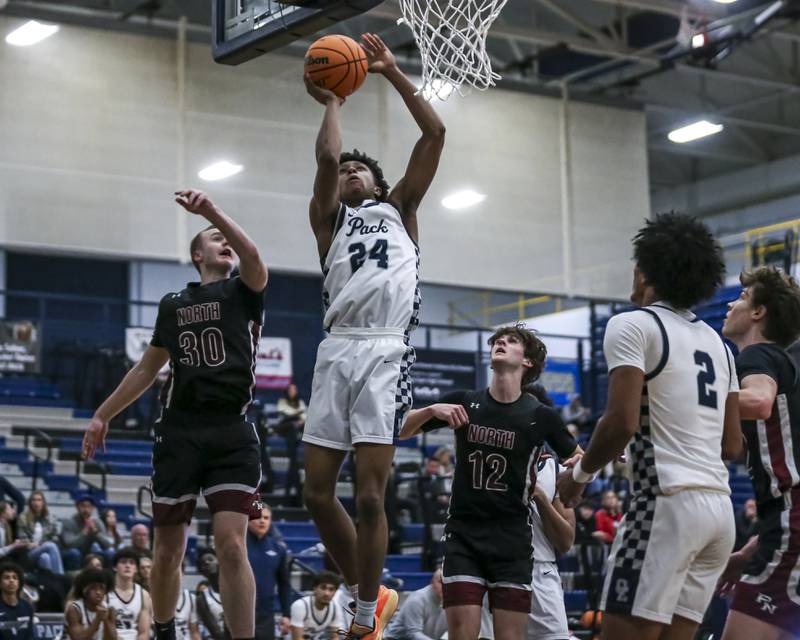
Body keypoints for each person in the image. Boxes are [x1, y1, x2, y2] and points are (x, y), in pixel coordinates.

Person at [301, 30, 445, 640]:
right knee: (313, 494)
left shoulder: (401, 209)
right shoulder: (328, 221)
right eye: (349, 169)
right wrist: (334, 97)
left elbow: (434, 135)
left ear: (381, 186)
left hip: (386, 349)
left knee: (369, 498)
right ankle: (375, 589)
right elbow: (327, 161)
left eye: (363, 169)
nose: (351, 172)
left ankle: (363, 614)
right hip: (337, 349)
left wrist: (388, 72)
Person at [81, 189, 269, 640]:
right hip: (180, 432)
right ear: (196, 253)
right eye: (214, 237)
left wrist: (212, 212)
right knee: (167, 549)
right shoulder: (174, 304)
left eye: (228, 237)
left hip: (233, 431)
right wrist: (102, 414)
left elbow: (254, 255)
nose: (225, 241)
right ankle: (164, 631)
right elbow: (148, 368)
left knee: (232, 545)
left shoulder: (244, 290)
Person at [557, 213, 743, 640]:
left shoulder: (633, 324)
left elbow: (620, 421)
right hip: (719, 513)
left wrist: (579, 476)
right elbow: (732, 445)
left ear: (644, 271)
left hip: (667, 504)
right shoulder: (720, 345)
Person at [399, 325, 581, 640]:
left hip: (512, 539)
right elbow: (400, 430)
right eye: (497, 340)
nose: (501, 343)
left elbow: (577, 457)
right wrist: (431, 409)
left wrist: (590, 463)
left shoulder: (541, 416)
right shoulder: (464, 402)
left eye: (511, 341)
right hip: (464, 535)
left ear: (528, 363)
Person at [718, 266, 800, 640]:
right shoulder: (777, 362)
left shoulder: (757, 357)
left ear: (758, 312)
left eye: (742, 297)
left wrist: (693, 396)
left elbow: (759, 401)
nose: (731, 304)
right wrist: (752, 547)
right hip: (782, 525)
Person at [526, 456, 575, 640]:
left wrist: (540, 496)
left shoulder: (554, 469)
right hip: (496, 567)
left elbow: (566, 542)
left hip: (540, 569)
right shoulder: (492, 459)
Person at [246, 506, 291, 640]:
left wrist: (286, 614)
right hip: (239, 612)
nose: (262, 521)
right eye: (258, 517)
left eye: (266, 518)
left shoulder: (278, 549)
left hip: (266, 616)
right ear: (247, 520)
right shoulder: (238, 545)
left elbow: (284, 584)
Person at [383, 569, 447, 640]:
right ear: (432, 582)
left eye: (448, 583)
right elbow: (413, 634)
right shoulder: (417, 599)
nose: (445, 587)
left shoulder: (454, 602)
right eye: (440, 582)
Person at [106, 549, 151, 640]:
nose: (127, 566)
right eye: (123, 562)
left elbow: (144, 632)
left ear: (136, 569)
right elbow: (104, 628)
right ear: (115, 567)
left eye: (131, 563)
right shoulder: (106, 592)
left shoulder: (144, 595)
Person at [17, 491, 64, 575]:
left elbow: (56, 537)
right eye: (33, 500)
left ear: (43, 502)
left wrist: (41, 545)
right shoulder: (23, 518)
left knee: (45, 558)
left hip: (44, 550)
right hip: (29, 553)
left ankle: (49, 585)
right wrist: (31, 544)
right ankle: (60, 578)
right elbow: (22, 538)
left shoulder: (50, 518)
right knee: (50, 545)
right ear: (30, 503)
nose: (36, 503)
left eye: (39, 500)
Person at [61, 496, 114, 571]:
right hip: (75, 555)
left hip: (92, 554)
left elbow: (108, 544)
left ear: (93, 509)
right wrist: (84, 532)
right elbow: (69, 544)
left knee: (110, 553)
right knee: (74, 553)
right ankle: (75, 577)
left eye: (89, 506)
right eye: (83, 506)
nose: (86, 509)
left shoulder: (97, 522)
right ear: (77, 507)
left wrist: (96, 532)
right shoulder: (69, 522)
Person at [65, 568, 117, 640]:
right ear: (84, 590)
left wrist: (106, 620)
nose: (98, 592)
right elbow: (78, 638)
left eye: (101, 588)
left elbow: (112, 639)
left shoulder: (109, 609)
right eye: (93, 588)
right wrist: (97, 620)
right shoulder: (74, 609)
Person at [289, 572, 344, 640]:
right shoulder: (300, 606)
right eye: (323, 588)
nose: (327, 593)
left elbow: (335, 637)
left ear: (335, 592)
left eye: (331, 589)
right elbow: (297, 638)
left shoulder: (335, 608)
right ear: (314, 588)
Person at [276, 384, 307, 503]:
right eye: (291, 389)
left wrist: (299, 417)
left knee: (298, 426)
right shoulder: (282, 401)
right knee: (291, 425)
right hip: (285, 426)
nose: (293, 391)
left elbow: (305, 415)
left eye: (295, 389)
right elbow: (284, 412)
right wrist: (298, 413)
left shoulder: (300, 401)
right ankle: (291, 451)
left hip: (297, 426)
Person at [0, 562, 36, 640]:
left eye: (15, 577)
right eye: (6, 577)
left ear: (19, 583)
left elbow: (30, 635)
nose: (11, 580)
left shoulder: (27, 607)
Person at [196, 552, 226, 640]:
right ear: (202, 572)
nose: (207, 563)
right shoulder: (201, 599)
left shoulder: (236, 588)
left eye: (210, 559)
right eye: (203, 563)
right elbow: (215, 632)